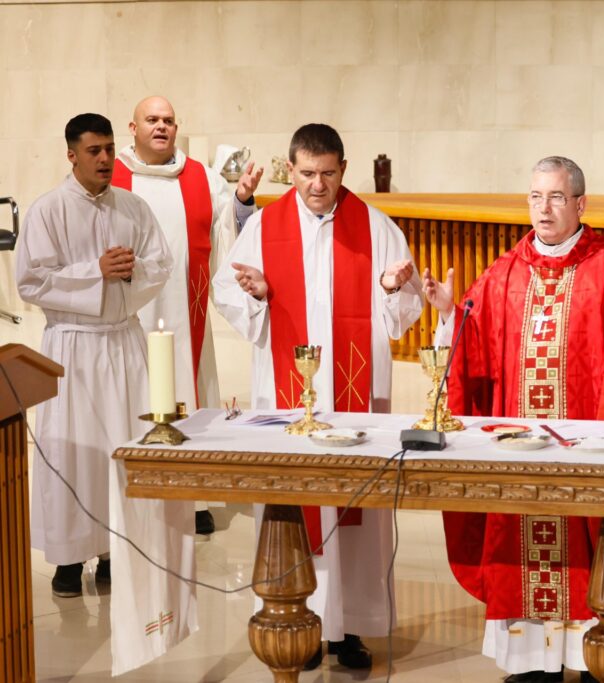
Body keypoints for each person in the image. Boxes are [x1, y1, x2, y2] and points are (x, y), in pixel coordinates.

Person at [422, 156, 604, 683]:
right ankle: (531, 660)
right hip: (519, 456)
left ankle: (586, 654)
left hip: (583, 453)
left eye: (556, 197)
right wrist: (449, 314)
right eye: (536, 196)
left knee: (585, 540)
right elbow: (472, 354)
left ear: (580, 204)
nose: (544, 208)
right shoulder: (503, 273)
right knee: (517, 539)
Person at [211, 122, 422, 670]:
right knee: (293, 503)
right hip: (287, 399)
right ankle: (295, 618)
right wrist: (254, 293)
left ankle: (348, 629)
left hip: (354, 402)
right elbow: (226, 288)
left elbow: (401, 317)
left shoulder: (376, 229)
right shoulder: (262, 226)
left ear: (343, 169)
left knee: (356, 520)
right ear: (290, 169)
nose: (317, 185)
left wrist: (395, 291)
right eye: (306, 174)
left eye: (328, 173)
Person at [16, 113, 172, 598]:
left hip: (123, 342)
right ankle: (67, 558)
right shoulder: (48, 210)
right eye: (93, 151)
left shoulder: (133, 207)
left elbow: (161, 263)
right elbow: (31, 281)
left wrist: (130, 273)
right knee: (72, 451)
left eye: (108, 148)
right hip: (74, 346)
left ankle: (111, 551)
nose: (105, 159)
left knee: (120, 448)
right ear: (72, 155)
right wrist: (95, 271)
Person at [113, 95, 263, 535]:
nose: (161, 127)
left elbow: (226, 227)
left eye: (169, 121)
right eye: (152, 120)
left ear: (177, 128)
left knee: (190, 384)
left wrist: (240, 198)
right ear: (133, 127)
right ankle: (141, 483)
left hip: (185, 311)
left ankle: (194, 493)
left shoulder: (199, 175)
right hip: (133, 313)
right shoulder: (115, 177)